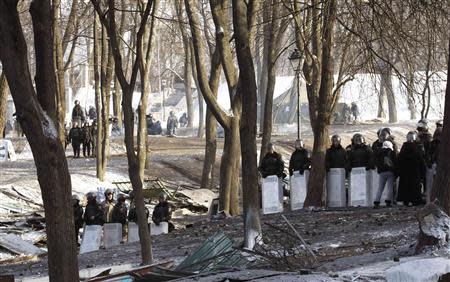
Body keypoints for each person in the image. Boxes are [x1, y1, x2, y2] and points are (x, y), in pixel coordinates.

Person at [397, 131, 426, 206]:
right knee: (415, 187)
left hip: (405, 173)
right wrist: (423, 172)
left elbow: (399, 160)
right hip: (415, 172)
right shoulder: (416, 148)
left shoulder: (404, 148)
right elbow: (420, 160)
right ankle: (415, 200)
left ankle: (406, 200)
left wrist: (398, 171)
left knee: (405, 186)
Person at [374, 141, 397, 207]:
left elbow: (377, 162)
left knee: (380, 188)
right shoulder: (391, 152)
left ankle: (376, 201)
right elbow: (395, 162)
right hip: (390, 171)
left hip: (382, 172)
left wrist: (379, 170)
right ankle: (388, 201)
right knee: (389, 187)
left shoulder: (379, 152)